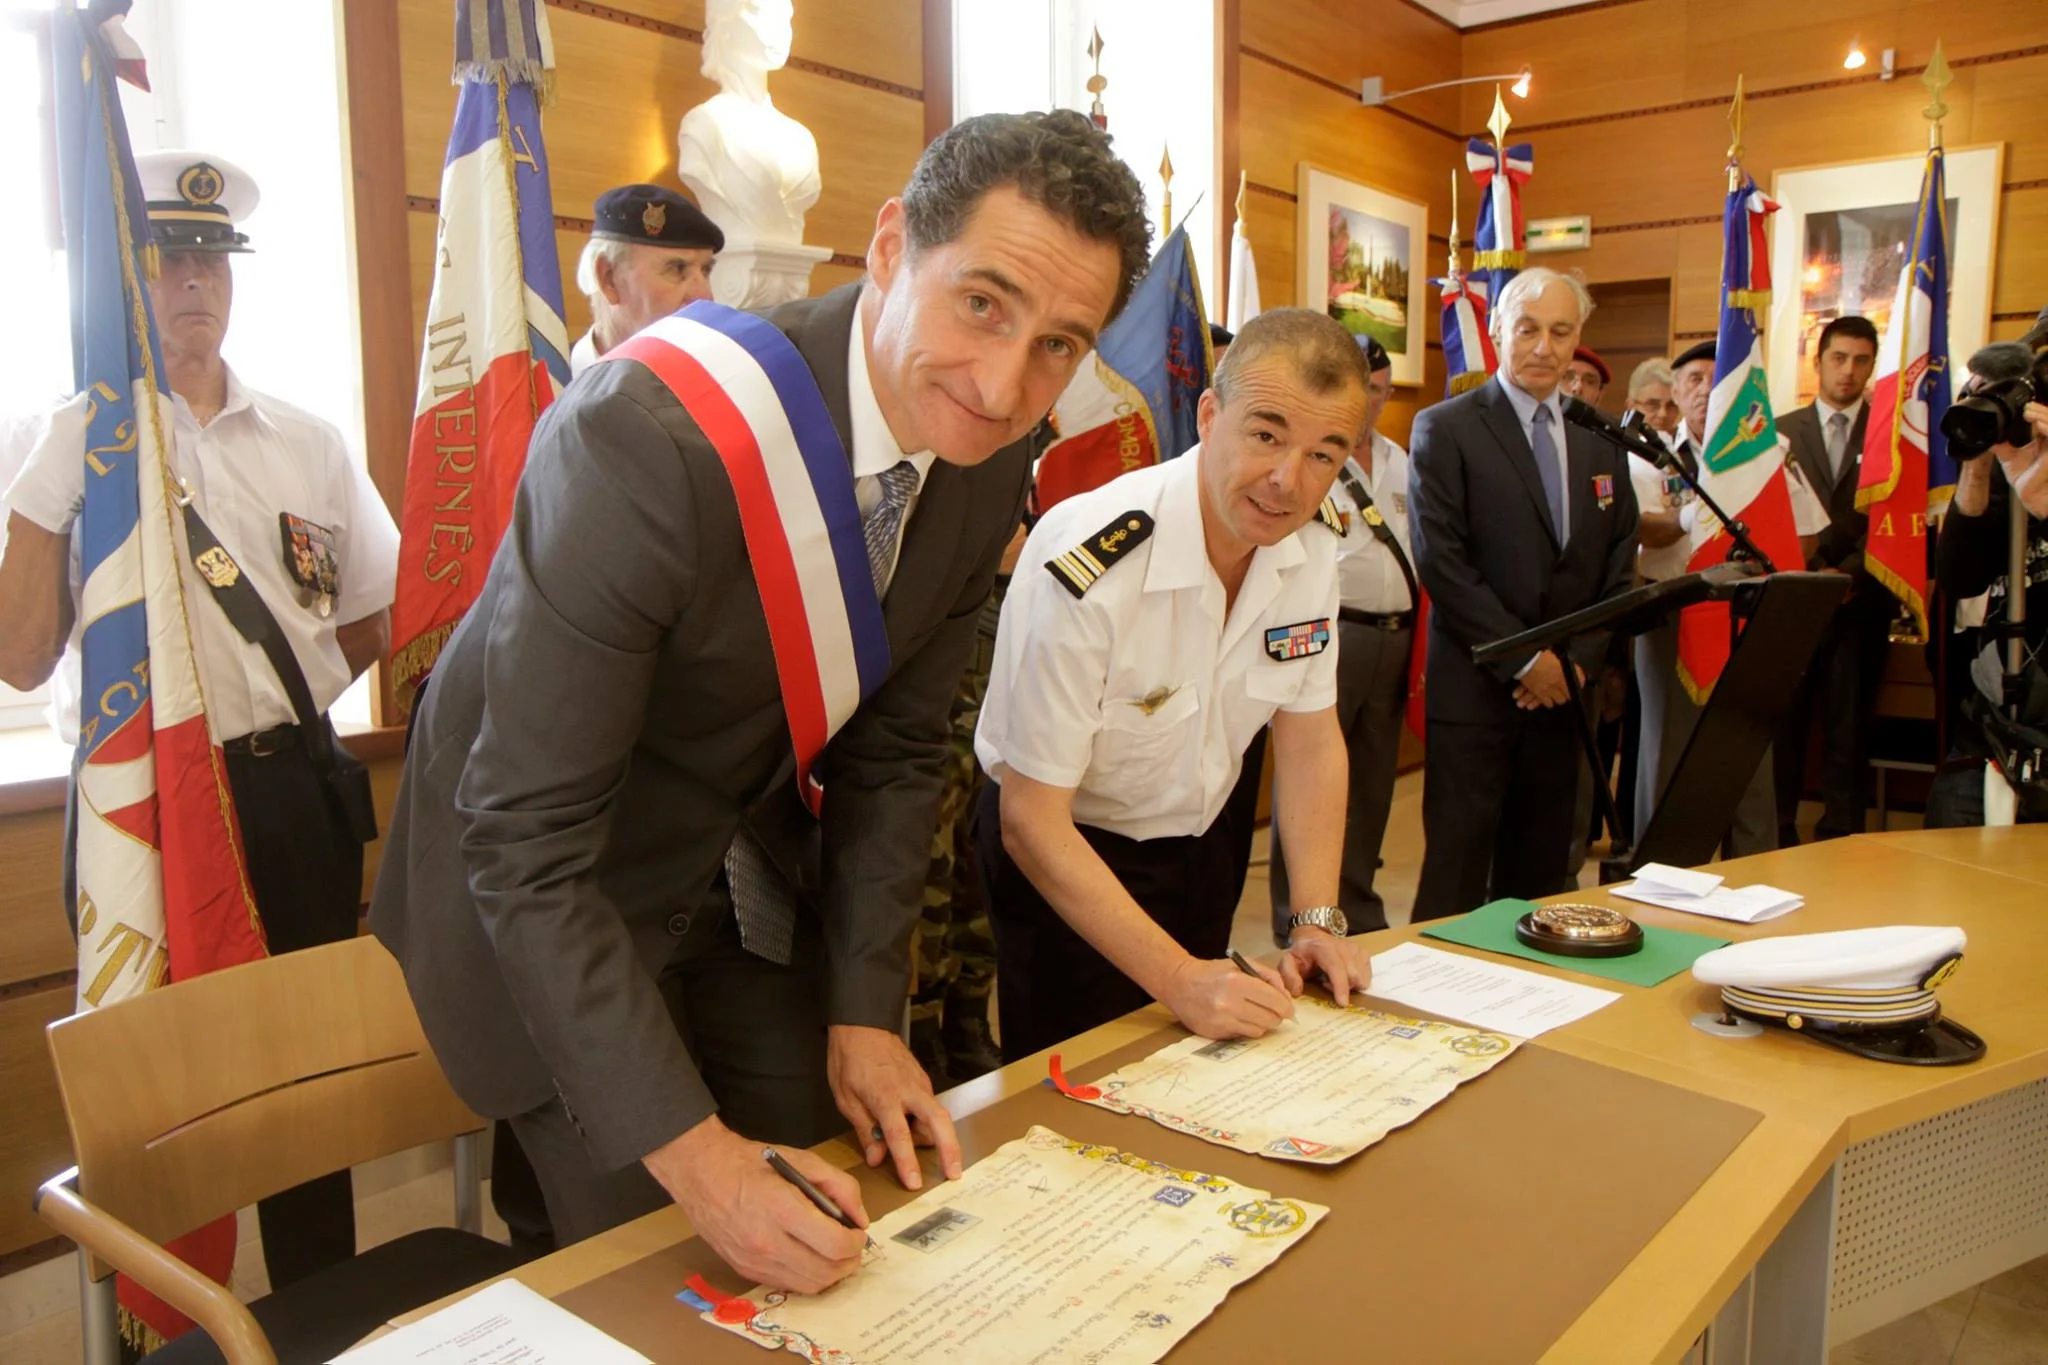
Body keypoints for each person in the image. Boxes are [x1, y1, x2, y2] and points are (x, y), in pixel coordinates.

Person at [369, 110, 1150, 1294]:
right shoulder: (643, 436)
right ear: (890, 247)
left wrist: (866, 1014)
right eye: (981, 303)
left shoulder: (987, 458)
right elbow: (523, 842)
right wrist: (699, 1160)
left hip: (727, 888)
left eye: (1059, 344)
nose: (1004, 385)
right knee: (668, 1277)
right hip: (538, 909)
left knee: (864, 1209)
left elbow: (895, 757)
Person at [0, 152, 398, 1291]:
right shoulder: (59, 435)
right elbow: (21, 659)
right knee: (155, 1092)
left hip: (286, 792)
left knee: (303, 1078)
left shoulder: (304, 440)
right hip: (143, 805)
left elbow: (371, 615)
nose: (194, 282)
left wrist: (275, 698)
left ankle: (325, 1308)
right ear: (125, 271)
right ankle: (162, 1327)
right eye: (169, 255)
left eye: (213, 259)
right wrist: (46, 493)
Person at [972, 308, 1378, 1063]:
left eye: (1325, 454)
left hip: (1202, 840)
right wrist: (1179, 979)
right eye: (1266, 435)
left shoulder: (1312, 546)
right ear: (1210, 413)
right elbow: (1031, 819)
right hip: (1068, 850)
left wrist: (1316, 919)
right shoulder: (1092, 556)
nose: (1290, 480)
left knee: (1191, 1069)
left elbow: (1310, 736)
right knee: (1080, 1083)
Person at [1407, 269, 1640, 920]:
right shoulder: (1445, 428)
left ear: (1577, 339)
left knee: (1538, 881)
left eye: (1560, 331)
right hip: (1479, 693)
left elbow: (1618, 566)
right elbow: (1442, 563)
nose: (1543, 346)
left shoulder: (1601, 438)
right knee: (1454, 879)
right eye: (1528, 329)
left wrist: (1574, 665)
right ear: (1497, 331)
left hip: (1565, 699)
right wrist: (1525, 660)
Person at [1268, 335, 1412, 937]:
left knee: (1373, 778)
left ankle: (1356, 899)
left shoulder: (1401, 460)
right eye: (1364, 390)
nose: (1372, 403)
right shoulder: (1316, 458)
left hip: (1395, 634)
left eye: (1380, 392)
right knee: (1309, 764)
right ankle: (1293, 913)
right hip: (1335, 630)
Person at [1773, 316, 1888, 843]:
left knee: (1848, 730)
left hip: (1859, 603)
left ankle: (1841, 837)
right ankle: (1777, 833)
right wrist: (1810, 572)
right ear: (1817, 361)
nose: (1849, 371)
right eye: (1839, 358)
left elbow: (1896, 520)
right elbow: (1771, 514)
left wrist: (1852, 574)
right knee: (1784, 727)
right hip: (1796, 600)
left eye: (1861, 360)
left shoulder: (1888, 432)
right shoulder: (1781, 430)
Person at [569, 184, 724, 376]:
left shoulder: (717, 379)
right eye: (677, 269)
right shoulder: (544, 387)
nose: (705, 296)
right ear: (609, 279)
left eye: (706, 270)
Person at [1623, 356, 1681, 452]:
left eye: (1671, 405)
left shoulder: (1687, 452)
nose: (1663, 414)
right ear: (1630, 406)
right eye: (1652, 404)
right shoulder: (1612, 450)